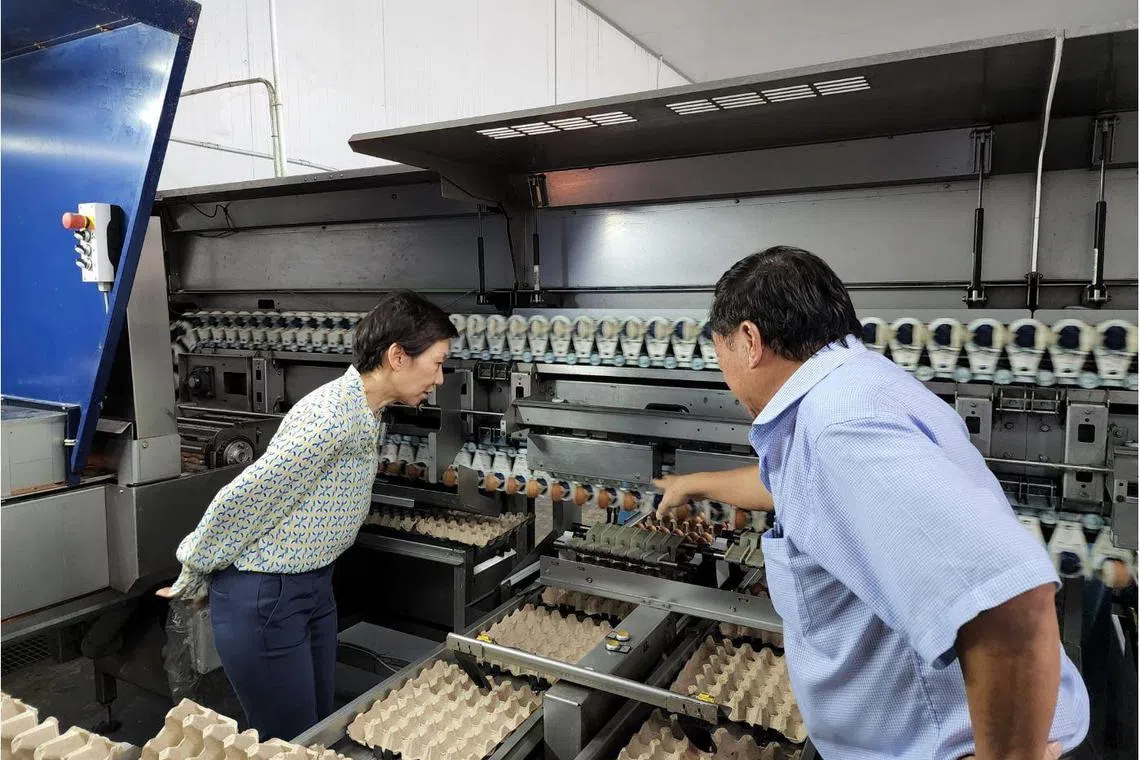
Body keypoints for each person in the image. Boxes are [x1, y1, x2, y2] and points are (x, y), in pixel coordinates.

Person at [653, 246, 1089, 760]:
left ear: (749, 341)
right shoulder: (858, 385)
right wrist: (697, 483)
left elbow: (1010, 600)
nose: (724, 375)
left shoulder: (840, 427)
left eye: (720, 351)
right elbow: (806, 486)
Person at [158, 291, 457, 741]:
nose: (439, 378)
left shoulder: (365, 411)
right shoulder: (332, 417)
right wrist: (197, 568)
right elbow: (246, 497)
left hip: (310, 585)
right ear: (398, 356)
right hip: (266, 593)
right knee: (290, 740)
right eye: (437, 363)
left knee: (317, 730)